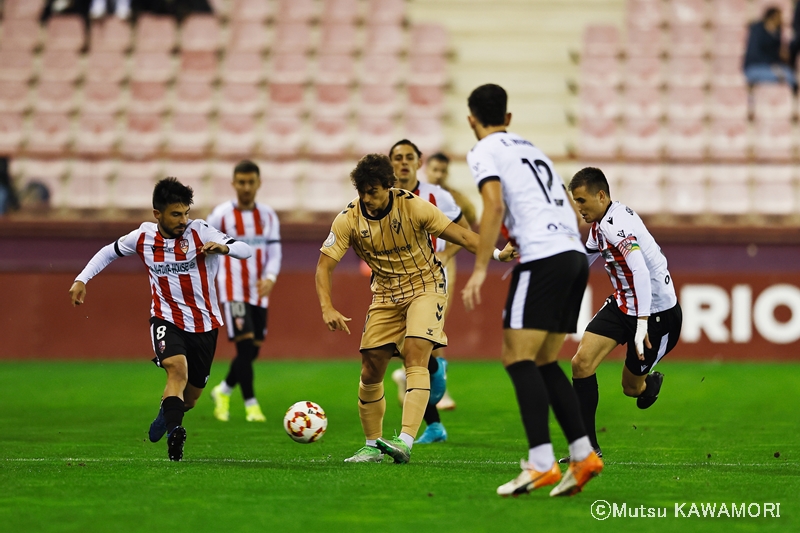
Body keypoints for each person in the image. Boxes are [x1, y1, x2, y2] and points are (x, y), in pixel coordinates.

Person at [315, 153, 515, 465]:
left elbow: (461, 235)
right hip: (384, 294)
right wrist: (327, 307)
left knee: (415, 352)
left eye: (374, 191)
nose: (367, 198)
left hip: (426, 285)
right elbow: (324, 266)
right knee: (371, 368)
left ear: (389, 187)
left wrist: (499, 254)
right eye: (362, 192)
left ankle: (405, 440)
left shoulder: (414, 206)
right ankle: (371, 445)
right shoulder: (348, 219)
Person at [461, 83, 602, 497]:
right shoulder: (533, 149)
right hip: (573, 256)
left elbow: (493, 205)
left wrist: (480, 267)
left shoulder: (483, 150)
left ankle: (541, 463)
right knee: (544, 360)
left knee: (515, 357)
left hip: (541, 260)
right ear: (508, 118)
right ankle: (583, 454)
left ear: (472, 120)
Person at [68, 177, 252, 461]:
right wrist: (82, 279)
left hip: (205, 324)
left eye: (186, 213)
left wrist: (224, 248)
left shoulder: (200, 232)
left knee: (190, 398)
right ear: (157, 214)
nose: (183, 220)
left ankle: (166, 413)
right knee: (176, 371)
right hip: (166, 319)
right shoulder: (142, 238)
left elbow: (245, 249)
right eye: (176, 214)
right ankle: (175, 433)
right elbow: (109, 252)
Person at [563, 167, 683, 463]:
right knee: (581, 362)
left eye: (582, 201)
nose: (579, 208)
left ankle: (648, 384)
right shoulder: (600, 225)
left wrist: (641, 324)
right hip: (623, 305)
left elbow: (640, 270)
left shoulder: (616, 225)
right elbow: (582, 259)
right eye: (575, 202)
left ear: (600, 195)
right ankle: (587, 450)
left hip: (657, 314)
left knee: (631, 388)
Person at [388, 139, 469, 444]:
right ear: (391, 163)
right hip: (396, 283)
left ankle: (430, 425)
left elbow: (464, 229)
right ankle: (435, 411)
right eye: (398, 158)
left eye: (410, 157)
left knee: (414, 352)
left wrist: (447, 256)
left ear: (418, 162)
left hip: (430, 284)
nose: (404, 162)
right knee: (410, 353)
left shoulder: (439, 196)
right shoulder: (385, 197)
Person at [206, 160, 282, 423]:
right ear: (233, 184)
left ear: (258, 184)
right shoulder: (220, 216)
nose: (246, 187)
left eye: (251, 182)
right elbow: (205, 245)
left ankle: (223, 390)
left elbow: (274, 252)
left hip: (259, 291)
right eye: (241, 182)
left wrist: (271, 277)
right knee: (246, 346)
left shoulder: (268, 216)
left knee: (253, 351)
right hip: (233, 291)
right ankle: (251, 405)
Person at [422, 151, 478, 411]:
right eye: (435, 170)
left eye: (443, 171)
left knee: (434, 326)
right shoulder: (411, 195)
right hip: (411, 266)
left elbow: (468, 227)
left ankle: (438, 389)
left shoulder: (454, 199)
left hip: (443, 268)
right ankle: (411, 371)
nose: (439, 175)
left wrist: (447, 253)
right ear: (426, 169)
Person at [743, 7, 797, 93]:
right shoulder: (757, 30)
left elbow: (776, 57)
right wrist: (773, 66)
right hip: (754, 67)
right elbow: (754, 54)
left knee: (789, 74)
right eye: (779, 17)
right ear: (773, 17)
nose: (781, 20)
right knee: (788, 76)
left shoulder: (777, 32)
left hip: (770, 68)